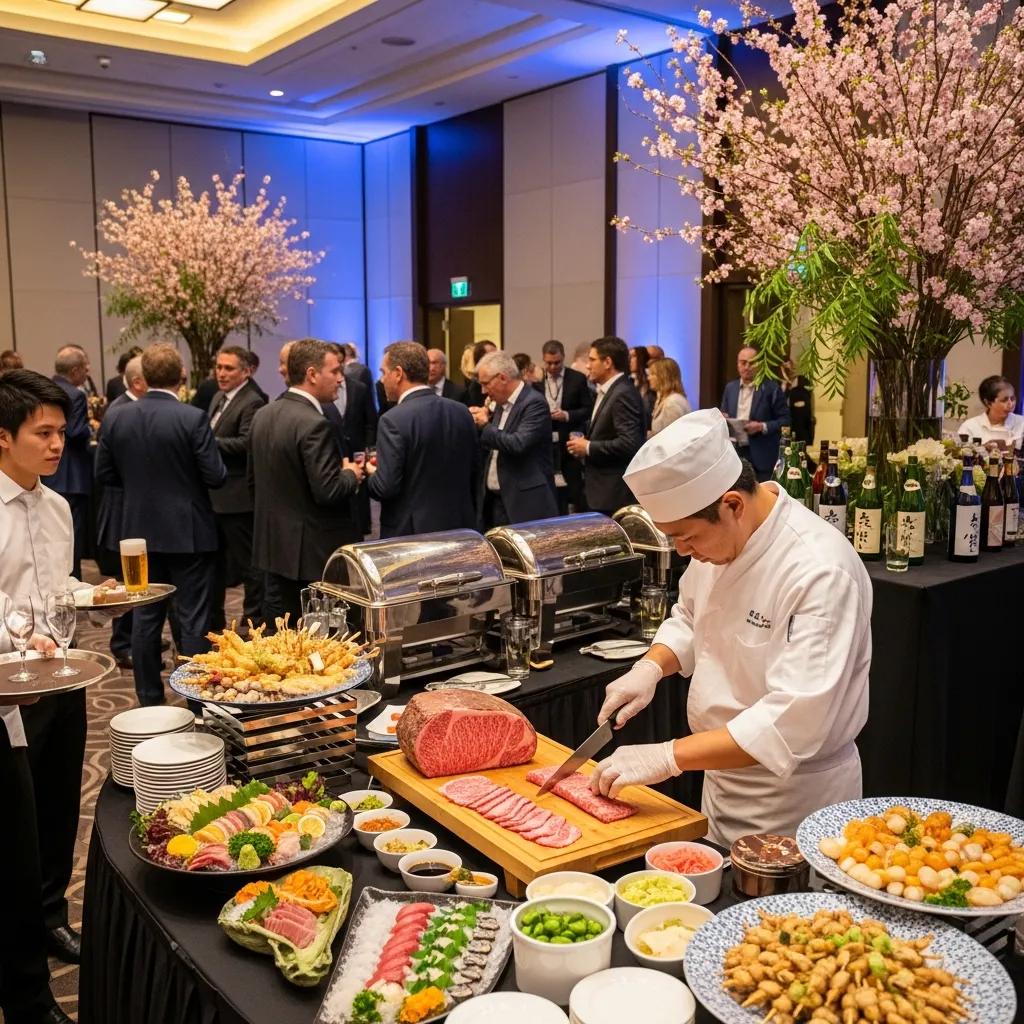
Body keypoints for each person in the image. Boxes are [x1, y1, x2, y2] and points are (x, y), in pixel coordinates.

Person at [589, 410, 872, 847]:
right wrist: (649, 669)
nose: (685, 553)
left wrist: (669, 756)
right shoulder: (721, 543)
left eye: (688, 538)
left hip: (794, 800)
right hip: (721, 783)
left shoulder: (818, 570)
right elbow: (689, 615)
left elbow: (791, 721)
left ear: (733, 505)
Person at [0, 371, 88, 1024]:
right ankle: (23, 963)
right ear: (4, 438)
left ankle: (53, 914)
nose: (60, 444)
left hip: (65, 679)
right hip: (7, 692)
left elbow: (61, 588)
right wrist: (24, 642)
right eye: (45, 433)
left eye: (62, 431)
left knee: (60, 809)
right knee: (15, 835)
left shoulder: (59, 508)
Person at [96, 344, 227, 705]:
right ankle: (198, 699)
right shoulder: (192, 417)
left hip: (137, 533)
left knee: (144, 616)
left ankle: (149, 700)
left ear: (143, 378)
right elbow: (215, 475)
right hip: (190, 534)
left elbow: (103, 473)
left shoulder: (116, 417)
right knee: (194, 620)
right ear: (181, 375)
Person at [248, 339, 364, 626]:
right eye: (335, 371)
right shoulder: (314, 423)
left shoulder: (263, 414)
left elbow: (253, 483)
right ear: (312, 374)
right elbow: (328, 491)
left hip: (273, 547)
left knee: (281, 631)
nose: (340, 378)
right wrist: (351, 473)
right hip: (311, 553)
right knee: (316, 637)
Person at [367, 341, 478, 538]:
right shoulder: (461, 411)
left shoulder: (392, 420)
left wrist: (370, 474)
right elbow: (473, 470)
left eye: (384, 372)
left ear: (398, 373)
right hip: (460, 526)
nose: (382, 380)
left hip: (412, 533)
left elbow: (386, 487)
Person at [207, 345, 267, 632]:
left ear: (246, 371)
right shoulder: (219, 397)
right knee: (216, 565)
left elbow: (246, 444)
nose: (221, 373)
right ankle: (215, 620)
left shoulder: (252, 401)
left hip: (239, 498)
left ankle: (252, 620)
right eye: (219, 367)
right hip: (215, 497)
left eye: (228, 368)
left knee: (249, 566)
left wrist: (206, 441)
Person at [96, 355, 148, 668]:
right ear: (138, 381)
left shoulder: (127, 409)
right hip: (122, 509)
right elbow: (104, 471)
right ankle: (123, 643)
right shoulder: (119, 411)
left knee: (135, 582)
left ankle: (131, 638)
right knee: (126, 582)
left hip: (129, 508)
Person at [471, 351, 558, 528]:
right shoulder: (501, 404)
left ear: (502, 378)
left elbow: (519, 444)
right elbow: (493, 444)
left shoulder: (534, 403)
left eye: (486, 384)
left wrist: (485, 425)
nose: (483, 390)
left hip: (524, 502)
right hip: (495, 499)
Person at [566, 336, 646, 516]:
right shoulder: (610, 390)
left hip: (613, 494)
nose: (588, 366)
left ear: (608, 362)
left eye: (592, 360)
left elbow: (630, 443)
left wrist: (588, 447)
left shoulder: (622, 393)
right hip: (602, 491)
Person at [320, 343, 377, 537]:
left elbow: (370, 420)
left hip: (356, 451)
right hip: (333, 454)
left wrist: (368, 448)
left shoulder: (359, 388)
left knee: (359, 498)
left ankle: (360, 529)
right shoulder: (319, 395)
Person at [49, 346, 93, 579]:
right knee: (71, 537)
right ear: (75, 371)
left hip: (49, 475)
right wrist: (92, 430)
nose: (88, 372)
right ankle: (72, 583)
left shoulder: (43, 389)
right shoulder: (76, 395)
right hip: (72, 476)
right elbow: (74, 432)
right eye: (85, 368)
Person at [534, 339, 592, 514]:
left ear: (563, 357)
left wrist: (566, 415)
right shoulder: (537, 381)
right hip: (545, 443)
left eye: (557, 363)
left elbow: (588, 409)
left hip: (569, 442)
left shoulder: (577, 378)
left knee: (574, 491)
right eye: (549, 363)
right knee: (549, 493)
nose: (552, 367)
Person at [720, 346, 790, 482]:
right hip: (735, 454)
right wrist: (723, 418)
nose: (747, 367)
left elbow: (785, 420)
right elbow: (724, 413)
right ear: (737, 364)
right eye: (743, 362)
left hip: (762, 455)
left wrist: (761, 426)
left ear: (759, 364)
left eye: (751, 362)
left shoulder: (771, 388)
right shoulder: (730, 388)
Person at [958, 374, 1024, 448]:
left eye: (1012, 398)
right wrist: (983, 448)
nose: (1010, 404)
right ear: (988, 403)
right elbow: (960, 453)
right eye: (1004, 400)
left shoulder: (1022, 423)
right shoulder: (970, 427)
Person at [648, 357, 692, 435]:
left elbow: (673, 436)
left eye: (652, 374)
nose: (648, 378)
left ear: (663, 376)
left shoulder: (673, 402)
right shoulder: (663, 398)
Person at [780, 358, 815, 445]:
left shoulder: (804, 382)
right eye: (785, 368)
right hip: (782, 430)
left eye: (790, 367)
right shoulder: (778, 384)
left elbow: (809, 405)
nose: (789, 371)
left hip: (802, 429)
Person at [463, 340, 497, 408]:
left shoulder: (500, 376)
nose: (497, 358)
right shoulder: (476, 386)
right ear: (481, 359)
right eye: (493, 355)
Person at [630, 345, 655, 428]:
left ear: (642, 357)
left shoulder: (650, 379)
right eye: (629, 356)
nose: (630, 360)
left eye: (633, 356)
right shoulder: (630, 379)